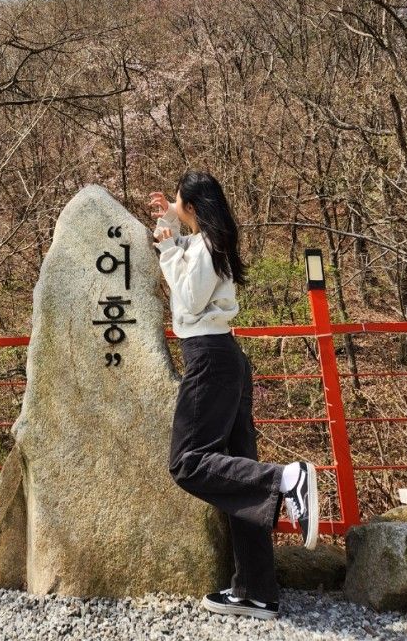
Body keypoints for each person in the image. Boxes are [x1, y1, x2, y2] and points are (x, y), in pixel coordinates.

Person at [149, 170, 319, 622]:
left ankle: (286, 479)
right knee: (238, 479)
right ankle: (257, 591)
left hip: (209, 358)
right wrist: (171, 223)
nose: (175, 210)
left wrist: (166, 246)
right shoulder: (209, 241)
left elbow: (187, 297)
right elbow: (192, 266)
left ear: (193, 208)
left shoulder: (205, 247)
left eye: (179, 203)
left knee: (187, 461)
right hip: (226, 358)